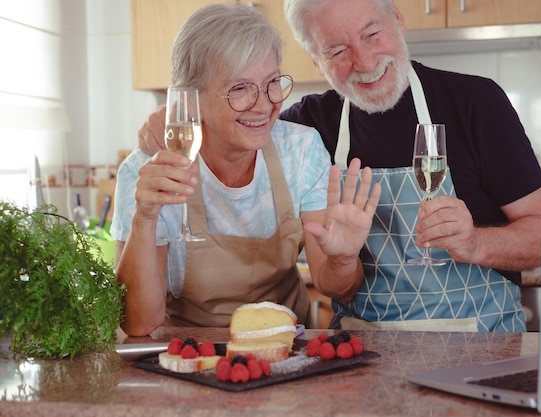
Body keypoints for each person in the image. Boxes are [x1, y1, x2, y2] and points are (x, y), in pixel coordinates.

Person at [138, 0, 541, 332]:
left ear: (398, 19)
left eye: (372, 33)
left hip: (480, 339)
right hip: (360, 350)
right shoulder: (307, 125)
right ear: (316, 62)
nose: (363, 60)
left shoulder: (476, 103)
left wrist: (477, 244)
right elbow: (235, 121)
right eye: (337, 50)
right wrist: (172, 117)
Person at [112, 3, 380, 337]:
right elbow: (138, 322)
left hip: (285, 351)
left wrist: (343, 259)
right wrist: (145, 217)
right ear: (191, 99)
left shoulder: (300, 150)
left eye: (272, 83)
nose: (265, 104)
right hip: (189, 355)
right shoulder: (146, 172)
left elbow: (334, 286)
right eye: (240, 88)